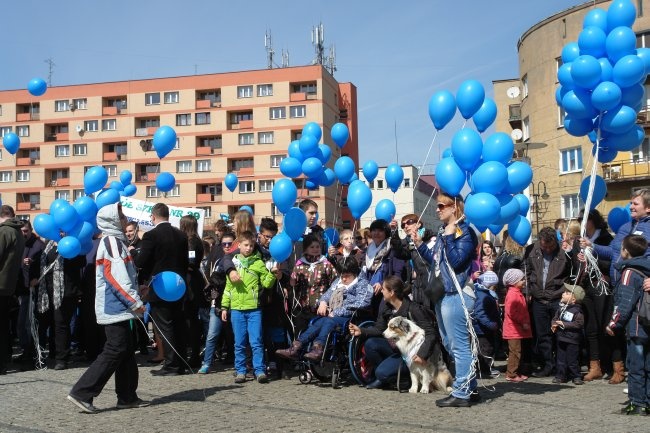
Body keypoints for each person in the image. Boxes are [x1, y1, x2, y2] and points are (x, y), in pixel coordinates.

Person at [67, 203, 148, 414]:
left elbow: (124, 275)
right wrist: (134, 302)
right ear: (112, 219)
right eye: (120, 215)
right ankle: (82, 392)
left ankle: (127, 396)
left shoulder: (116, 242)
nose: (124, 218)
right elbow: (115, 277)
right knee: (116, 349)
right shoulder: (112, 242)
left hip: (120, 306)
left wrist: (138, 289)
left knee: (126, 349)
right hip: (115, 307)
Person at [413, 193, 479, 407]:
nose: (437, 209)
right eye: (437, 206)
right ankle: (470, 387)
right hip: (443, 295)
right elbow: (437, 261)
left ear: (455, 208)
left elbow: (458, 262)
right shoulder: (444, 232)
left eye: (442, 206)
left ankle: (462, 393)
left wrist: (450, 237)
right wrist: (420, 244)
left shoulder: (465, 232)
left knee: (459, 347)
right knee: (451, 345)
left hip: (456, 295)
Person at [349, 275, 441, 390]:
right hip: (397, 349)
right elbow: (379, 329)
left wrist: (422, 355)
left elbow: (431, 333)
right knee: (370, 344)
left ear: (391, 292)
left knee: (382, 373)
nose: (381, 291)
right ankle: (385, 376)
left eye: (383, 289)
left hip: (413, 353)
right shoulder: (386, 308)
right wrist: (361, 330)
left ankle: (395, 376)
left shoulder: (414, 309)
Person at [276, 259, 372, 362]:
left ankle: (318, 349)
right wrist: (323, 302)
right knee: (318, 321)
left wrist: (336, 312)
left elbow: (362, 303)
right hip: (332, 316)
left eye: (347, 276)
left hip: (351, 318)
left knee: (327, 320)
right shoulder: (338, 281)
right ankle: (295, 347)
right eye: (342, 275)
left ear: (354, 273)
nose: (343, 279)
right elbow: (327, 294)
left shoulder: (363, 284)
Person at [134, 203, 189, 376]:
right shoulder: (181, 235)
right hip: (178, 285)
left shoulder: (151, 235)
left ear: (153, 216)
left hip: (159, 286)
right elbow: (185, 262)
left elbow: (142, 261)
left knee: (164, 326)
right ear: (168, 215)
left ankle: (171, 365)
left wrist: (134, 255)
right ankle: (180, 363)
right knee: (178, 324)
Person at [221, 231, 278, 384]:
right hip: (237, 310)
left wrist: (272, 274)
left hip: (254, 309)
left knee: (256, 341)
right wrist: (224, 307)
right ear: (238, 245)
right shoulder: (233, 263)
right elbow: (228, 287)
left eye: (252, 245)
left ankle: (259, 370)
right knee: (239, 342)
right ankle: (240, 371)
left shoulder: (258, 263)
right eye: (246, 245)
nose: (249, 248)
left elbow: (266, 283)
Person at [606, 234, 650, 415]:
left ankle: (637, 403)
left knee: (635, 367)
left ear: (625, 251)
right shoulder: (647, 270)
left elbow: (624, 304)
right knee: (648, 367)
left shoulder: (629, 273)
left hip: (637, 327)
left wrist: (613, 324)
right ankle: (647, 401)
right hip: (648, 326)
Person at [524, 226, 572, 378]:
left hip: (557, 297)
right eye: (545, 246)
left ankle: (561, 367)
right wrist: (528, 290)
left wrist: (567, 291)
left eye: (551, 246)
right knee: (543, 335)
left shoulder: (564, 252)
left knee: (560, 333)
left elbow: (573, 273)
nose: (548, 249)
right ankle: (547, 365)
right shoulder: (532, 250)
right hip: (539, 299)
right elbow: (525, 270)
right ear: (540, 242)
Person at [574, 209, 614, 382]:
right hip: (586, 286)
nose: (582, 222)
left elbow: (610, 262)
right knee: (590, 328)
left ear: (592, 221)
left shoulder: (605, 239)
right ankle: (594, 365)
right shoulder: (580, 241)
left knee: (604, 325)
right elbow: (575, 264)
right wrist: (576, 258)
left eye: (584, 219)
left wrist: (592, 258)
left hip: (601, 285)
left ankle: (612, 364)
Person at [37, 234, 86, 370]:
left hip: (66, 291)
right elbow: (43, 263)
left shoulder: (74, 243)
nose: (61, 232)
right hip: (47, 290)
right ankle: (52, 352)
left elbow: (81, 262)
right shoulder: (49, 243)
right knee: (49, 322)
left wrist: (68, 251)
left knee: (61, 324)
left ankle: (62, 358)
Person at [198, 231, 235, 374]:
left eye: (229, 244)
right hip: (218, 302)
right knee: (212, 334)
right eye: (224, 244)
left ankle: (237, 362)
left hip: (235, 303)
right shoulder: (218, 260)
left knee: (234, 335)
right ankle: (207, 362)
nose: (226, 246)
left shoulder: (237, 259)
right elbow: (210, 277)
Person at [290, 234, 338, 333]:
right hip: (302, 309)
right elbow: (294, 286)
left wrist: (326, 302)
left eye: (318, 247)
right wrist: (292, 282)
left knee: (316, 335)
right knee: (301, 335)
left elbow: (335, 284)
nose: (315, 249)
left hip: (320, 308)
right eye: (312, 247)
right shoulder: (299, 265)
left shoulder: (326, 264)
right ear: (306, 249)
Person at [390, 213, 437, 309]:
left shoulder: (432, 238)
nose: (406, 226)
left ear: (419, 224)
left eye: (409, 222)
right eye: (403, 225)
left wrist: (421, 237)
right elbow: (401, 252)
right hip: (419, 288)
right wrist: (394, 232)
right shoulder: (411, 243)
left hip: (434, 285)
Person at [0, 206, 26, 375]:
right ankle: (3, 362)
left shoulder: (4, 231)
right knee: (3, 327)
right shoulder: (19, 233)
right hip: (8, 286)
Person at [364, 219, 407, 315]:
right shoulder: (368, 250)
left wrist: (383, 284)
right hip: (370, 292)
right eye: (374, 230)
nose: (376, 233)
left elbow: (398, 274)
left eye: (380, 230)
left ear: (386, 232)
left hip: (387, 294)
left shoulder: (393, 248)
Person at [16, 220, 44, 368]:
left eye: (26, 230)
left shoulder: (38, 245)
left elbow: (43, 266)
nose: (23, 233)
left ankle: (30, 355)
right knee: (22, 324)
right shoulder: (19, 243)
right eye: (21, 230)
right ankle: (26, 352)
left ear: (31, 229)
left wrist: (32, 264)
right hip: (21, 290)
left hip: (32, 290)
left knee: (27, 324)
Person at [179, 215, 205, 368]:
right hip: (193, 282)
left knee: (190, 320)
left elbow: (190, 263)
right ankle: (193, 353)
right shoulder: (196, 240)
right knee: (191, 320)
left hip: (190, 284)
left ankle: (194, 355)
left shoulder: (191, 242)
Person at [551, 284, 586, 385]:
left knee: (572, 360)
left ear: (574, 299)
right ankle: (560, 376)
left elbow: (579, 324)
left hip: (572, 339)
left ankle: (576, 376)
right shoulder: (561, 308)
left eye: (567, 293)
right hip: (561, 338)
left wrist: (565, 324)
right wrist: (553, 324)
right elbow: (555, 318)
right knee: (560, 359)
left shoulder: (577, 311)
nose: (563, 293)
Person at [502, 269, 531, 382]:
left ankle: (516, 371)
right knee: (515, 352)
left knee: (518, 351)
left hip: (517, 329)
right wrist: (523, 322)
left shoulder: (517, 292)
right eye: (521, 279)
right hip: (514, 329)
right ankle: (511, 374)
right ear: (514, 281)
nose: (524, 281)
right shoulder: (513, 294)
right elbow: (512, 312)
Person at [472, 271, 501, 379]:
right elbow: (480, 313)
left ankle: (485, 368)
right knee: (485, 349)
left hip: (484, 328)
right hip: (482, 329)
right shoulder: (483, 296)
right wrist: (491, 324)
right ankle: (485, 370)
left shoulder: (482, 293)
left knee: (484, 348)